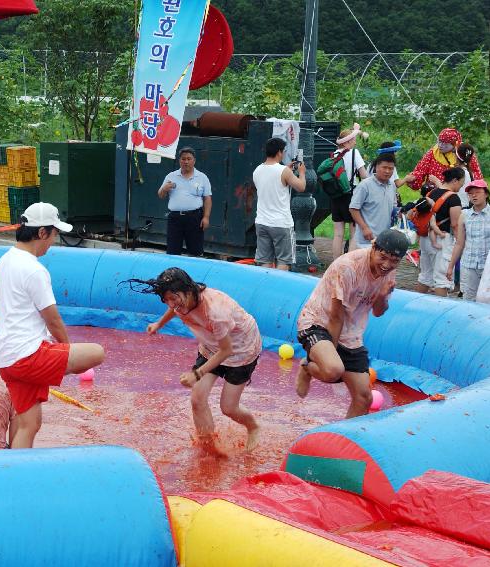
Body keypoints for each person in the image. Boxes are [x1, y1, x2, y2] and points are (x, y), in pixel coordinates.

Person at [0, 202, 105, 449]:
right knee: (97, 352)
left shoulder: (5, 260)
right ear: (42, 232)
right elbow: (53, 319)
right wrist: (67, 353)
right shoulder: (34, 269)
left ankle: (12, 474)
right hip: (28, 356)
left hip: (6, 359)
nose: (53, 241)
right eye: (54, 234)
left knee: (29, 424)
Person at [127, 267, 261, 456]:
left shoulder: (215, 312)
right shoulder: (182, 301)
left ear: (189, 291)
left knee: (229, 408)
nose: (173, 304)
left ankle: (253, 427)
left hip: (240, 349)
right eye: (167, 300)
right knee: (197, 399)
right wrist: (159, 323)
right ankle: (211, 450)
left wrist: (197, 373)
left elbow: (226, 350)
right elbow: (174, 309)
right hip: (211, 345)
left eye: (175, 298)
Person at [295, 229, 409, 418]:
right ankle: (307, 366)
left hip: (351, 331)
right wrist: (330, 356)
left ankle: (340, 442)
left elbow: (379, 312)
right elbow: (336, 317)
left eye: (394, 261)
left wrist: (382, 296)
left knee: (364, 398)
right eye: (383, 257)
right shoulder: (348, 267)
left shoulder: (389, 271)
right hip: (318, 321)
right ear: (373, 247)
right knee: (333, 370)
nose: (387, 264)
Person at [252, 137, 307, 270]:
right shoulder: (284, 171)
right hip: (281, 223)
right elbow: (301, 187)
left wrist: (285, 170)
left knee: (265, 260)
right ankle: (278, 288)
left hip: (262, 222)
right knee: (284, 260)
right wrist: (302, 173)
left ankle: (265, 287)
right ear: (279, 152)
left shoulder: (257, 170)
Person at [415, 168, 464, 297]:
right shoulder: (453, 198)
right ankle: (441, 311)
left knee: (425, 276)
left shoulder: (431, 193)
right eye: (461, 182)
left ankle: (416, 304)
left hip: (426, 238)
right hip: (442, 240)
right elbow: (455, 224)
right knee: (442, 280)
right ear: (455, 180)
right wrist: (460, 241)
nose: (461, 186)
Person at [158, 147, 212, 256]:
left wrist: (206, 217)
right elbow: (160, 195)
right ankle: (173, 272)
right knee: (173, 251)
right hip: (175, 218)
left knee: (195, 251)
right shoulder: (171, 176)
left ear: (194, 161)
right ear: (179, 161)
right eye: (183, 159)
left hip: (194, 218)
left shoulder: (202, 177)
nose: (186, 162)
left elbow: (207, 198)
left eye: (189, 159)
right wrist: (164, 188)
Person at [447, 179, 490, 301]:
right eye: (471, 193)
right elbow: (459, 243)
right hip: (469, 265)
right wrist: (450, 266)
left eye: (478, 192)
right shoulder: (464, 215)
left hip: (487, 267)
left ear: (486, 194)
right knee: (468, 300)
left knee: (486, 300)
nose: (474, 195)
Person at [330, 125, 369, 258]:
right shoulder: (354, 153)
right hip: (351, 195)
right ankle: (349, 264)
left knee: (338, 233)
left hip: (336, 195)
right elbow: (364, 175)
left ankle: (336, 263)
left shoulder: (334, 154)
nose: (355, 142)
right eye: (353, 139)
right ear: (346, 142)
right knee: (354, 233)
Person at [350, 153, 399, 249]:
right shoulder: (365, 186)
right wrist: (364, 228)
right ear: (376, 167)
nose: (387, 171)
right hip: (367, 240)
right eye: (384, 167)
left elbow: (393, 208)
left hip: (385, 239)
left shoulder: (392, 186)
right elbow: (353, 208)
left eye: (391, 169)